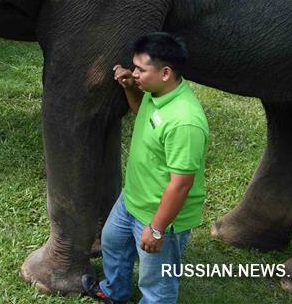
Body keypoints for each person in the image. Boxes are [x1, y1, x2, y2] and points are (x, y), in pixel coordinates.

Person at [83, 33, 209, 304]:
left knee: (158, 283)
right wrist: (130, 87)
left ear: (165, 72)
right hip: (132, 199)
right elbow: (143, 111)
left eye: (141, 69)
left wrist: (156, 229)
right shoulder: (157, 93)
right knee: (113, 243)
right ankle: (115, 292)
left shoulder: (185, 121)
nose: (134, 73)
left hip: (160, 215)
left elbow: (181, 183)